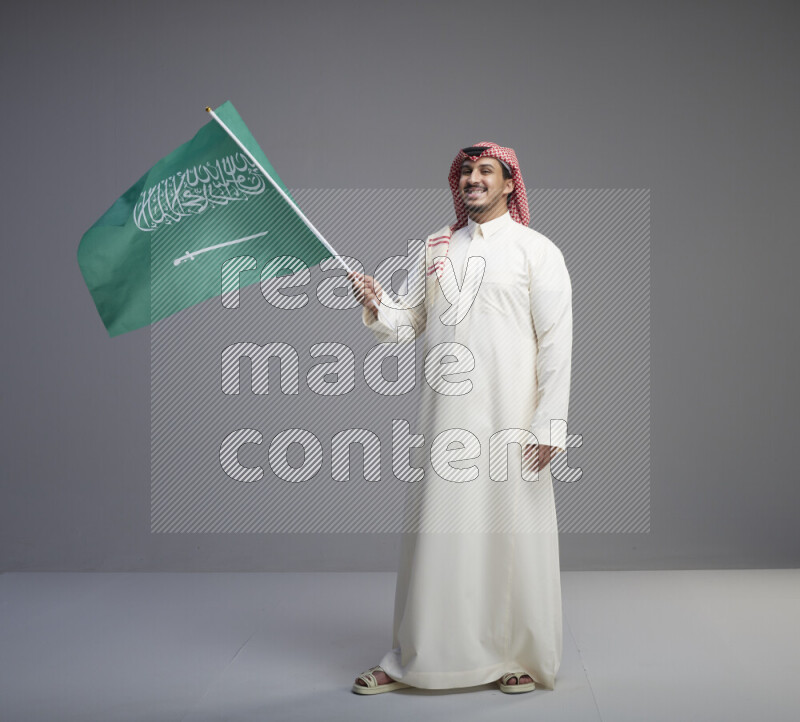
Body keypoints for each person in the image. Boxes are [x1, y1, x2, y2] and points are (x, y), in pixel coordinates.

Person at [348, 142, 573, 695]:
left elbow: (557, 341)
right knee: (439, 534)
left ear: (508, 184)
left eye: (485, 171)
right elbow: (409, 323)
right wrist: (379, 304)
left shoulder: (535, 250)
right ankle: (415, 656)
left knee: (510, 533)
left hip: (511, 420)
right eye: (467, 172)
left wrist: (550, 423)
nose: (474, 179)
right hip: (444, 420)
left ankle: (514, 656)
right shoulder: (435, 247)